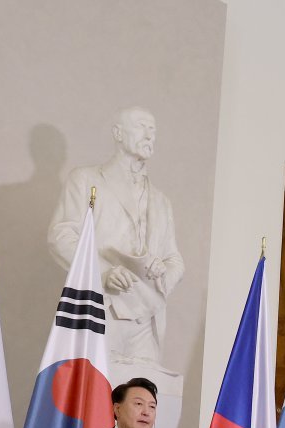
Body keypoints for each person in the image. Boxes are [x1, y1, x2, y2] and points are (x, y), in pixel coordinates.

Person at [48, 107, 184, 365]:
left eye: (153, 129)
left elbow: (174, 260)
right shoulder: (86, 179)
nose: (149, 135)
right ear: (118, 133)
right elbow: (61, 235)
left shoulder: (161, 201)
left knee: (143, 399)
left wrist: (161, 272)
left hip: (148, 319)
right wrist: (102, 272)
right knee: (96, 394)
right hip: (102, 307)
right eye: (142, 126)